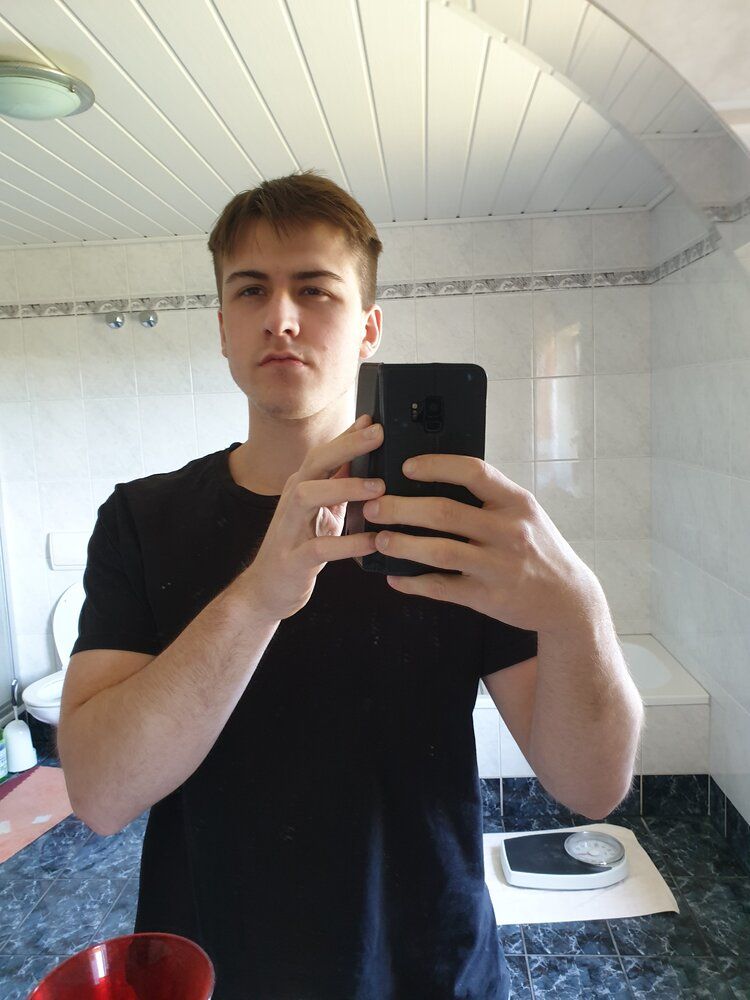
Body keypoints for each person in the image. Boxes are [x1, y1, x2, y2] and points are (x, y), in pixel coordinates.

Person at [58, 169, 539, 999]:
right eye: (251, 290)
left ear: (369, 327)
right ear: (222, 327)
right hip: (217, 972)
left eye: (315, 289)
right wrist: (257, 598)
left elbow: (594, 784)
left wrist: (576, 604)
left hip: (429, 971)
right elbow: (100, 796)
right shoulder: (141, 518)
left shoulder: (452, 522)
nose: (280, 317)